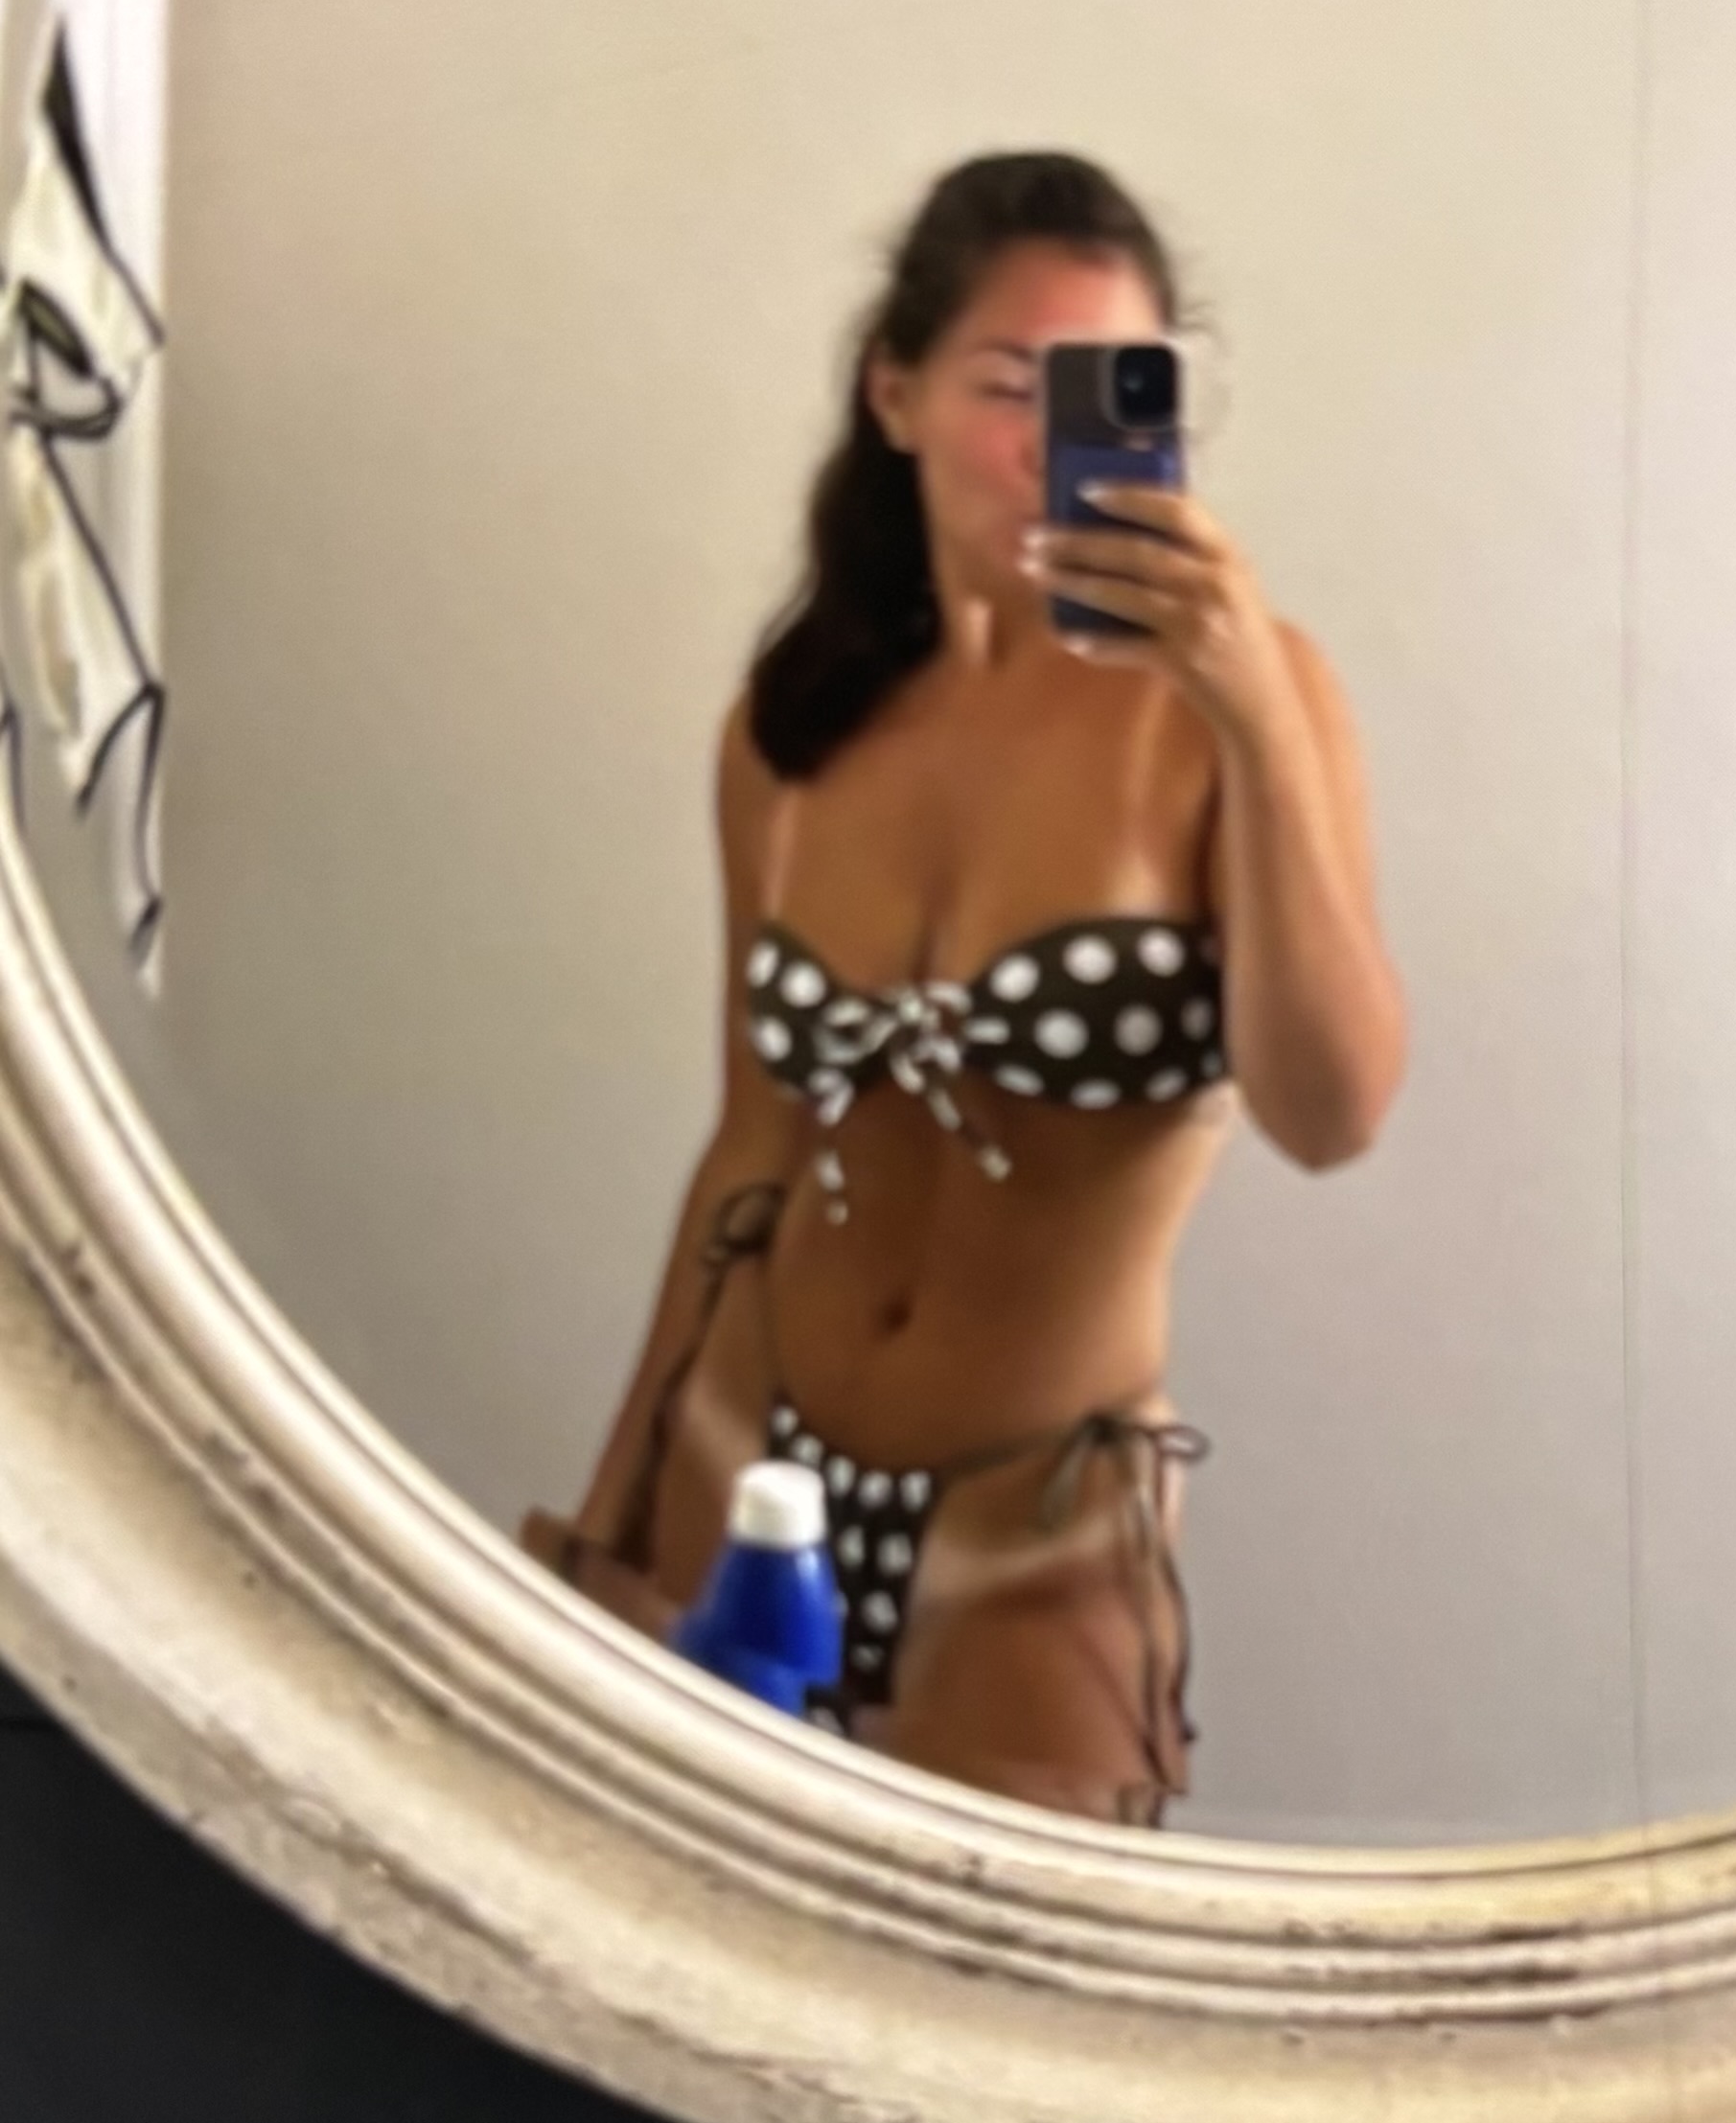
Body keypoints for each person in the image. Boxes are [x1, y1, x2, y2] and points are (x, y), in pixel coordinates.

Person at [524, 151, 1405, 1822]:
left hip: (1041, 1520)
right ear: (896, 394)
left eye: (1102, 393)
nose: (1044, 446)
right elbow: (750, 1146)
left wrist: (1250, 717)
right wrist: (611, 1508)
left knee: (991, 1969)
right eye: (1008, 384)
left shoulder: (1241, 706)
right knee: (685, 1912)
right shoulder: (792, 727)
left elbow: (1332, 1113)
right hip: (740, 1448)